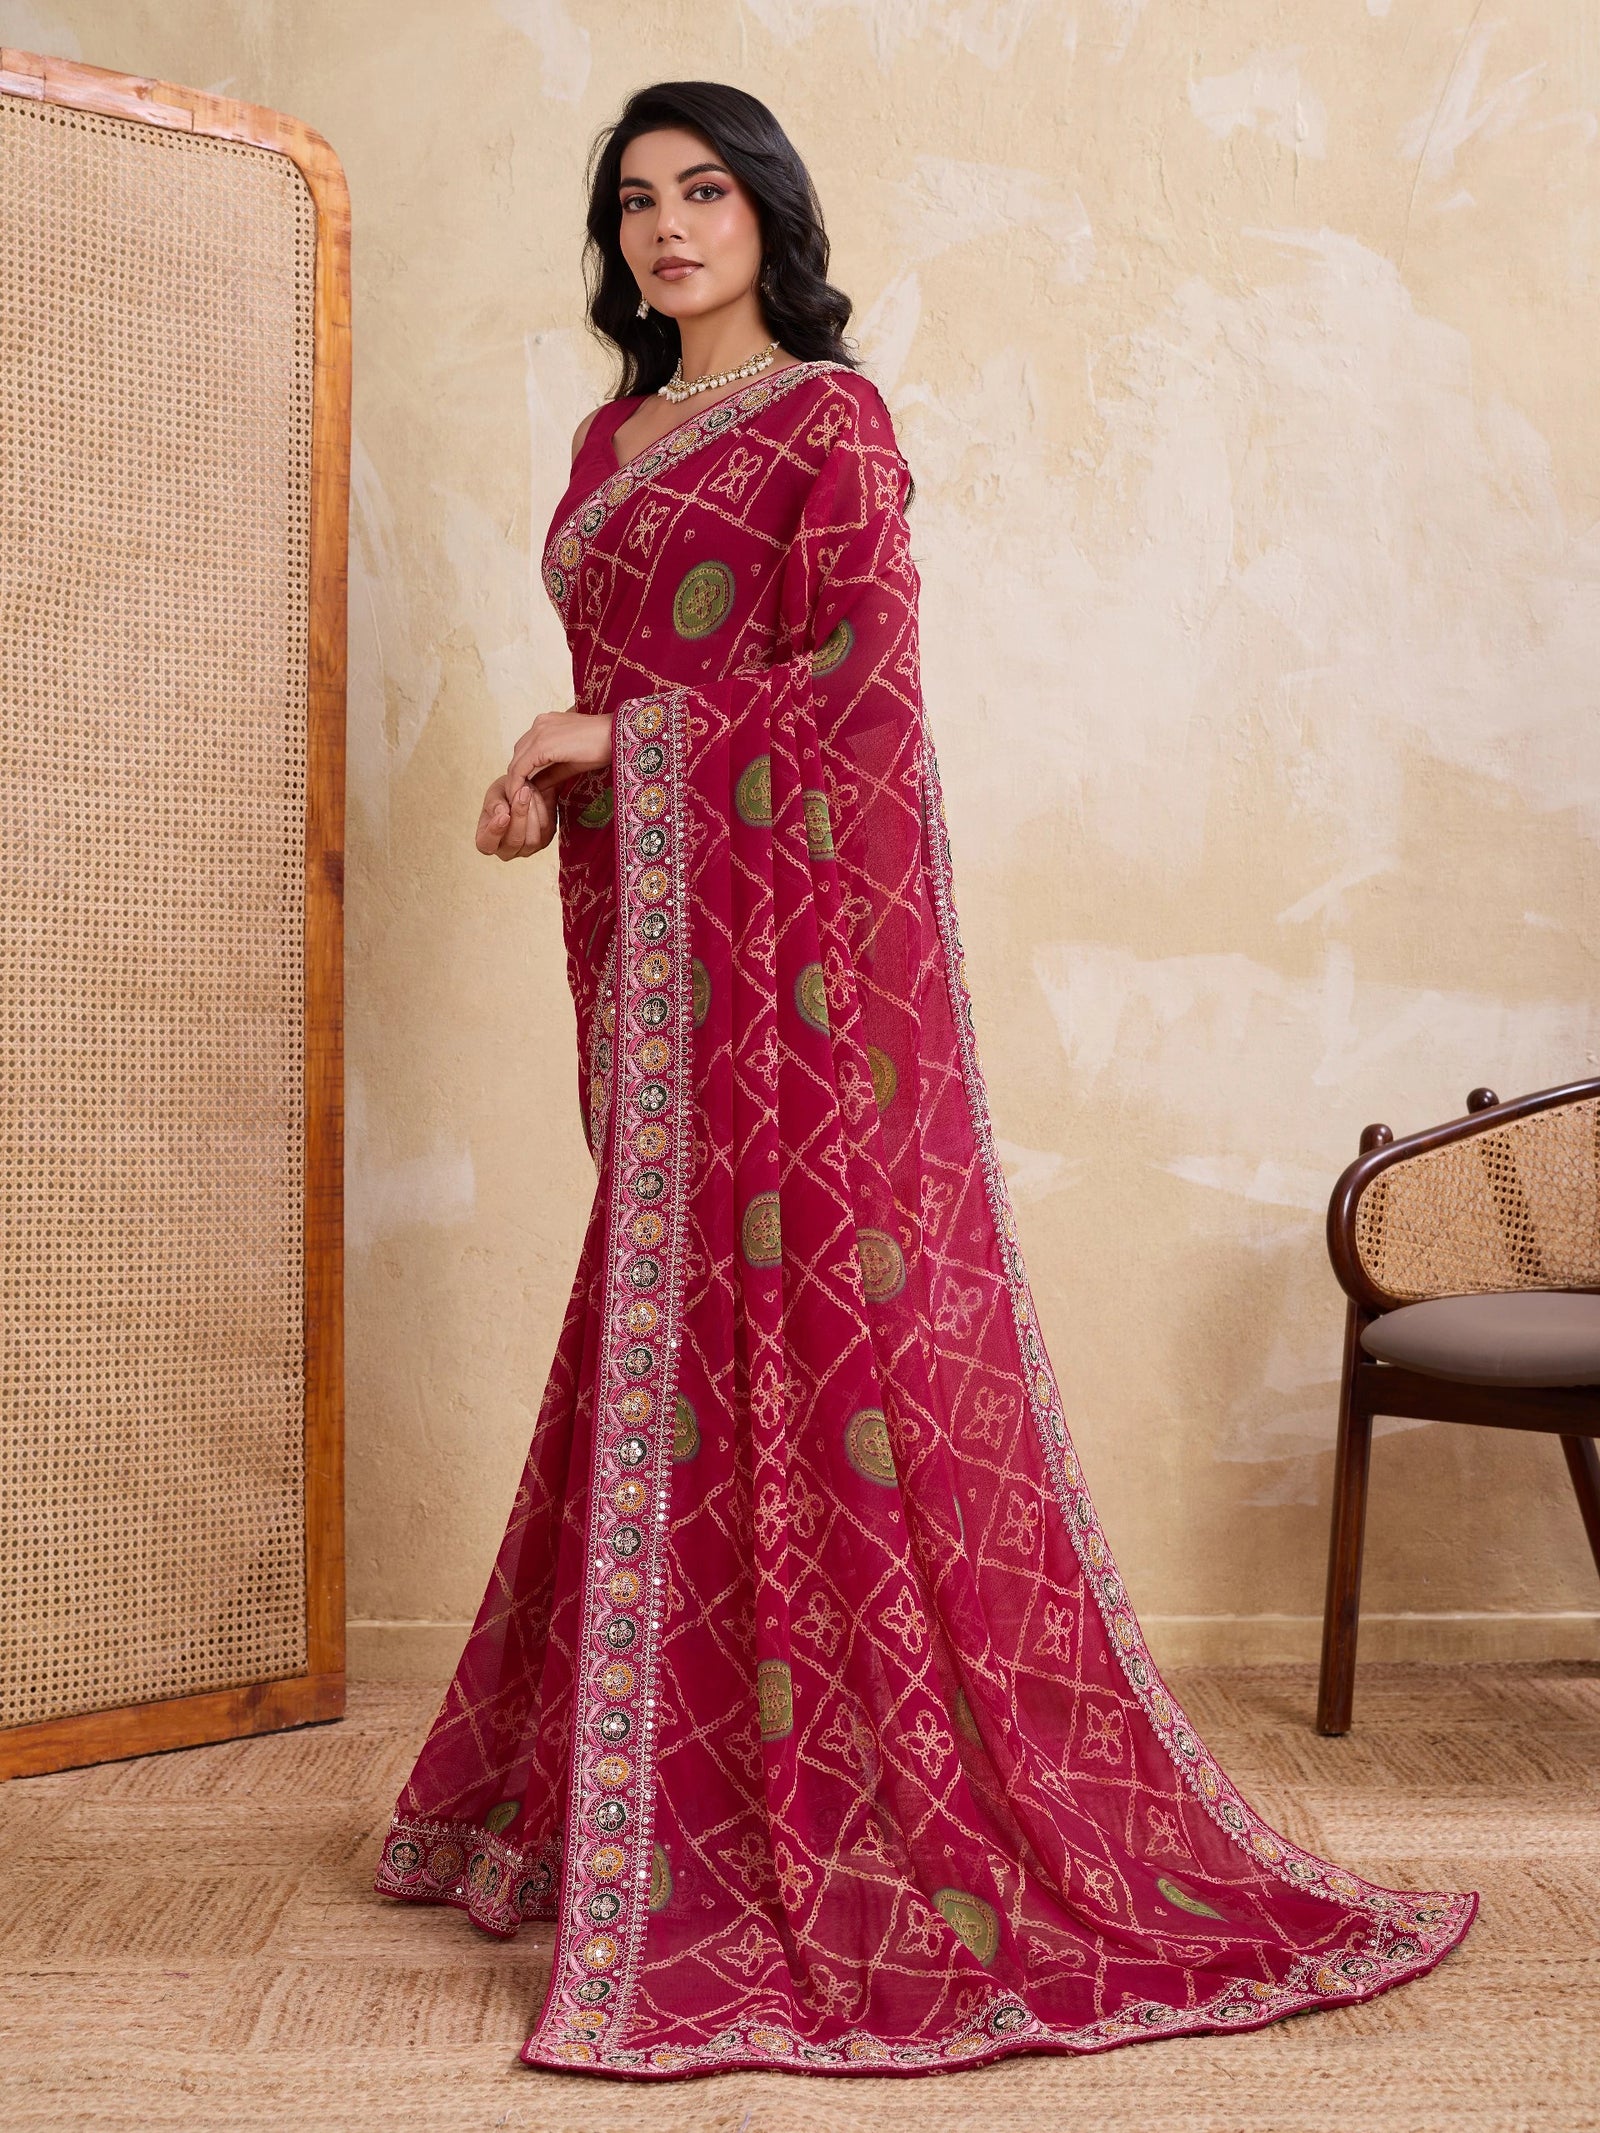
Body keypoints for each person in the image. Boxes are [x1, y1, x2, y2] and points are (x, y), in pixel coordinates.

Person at [374, 80, 1475, 2081]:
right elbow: (646, 694)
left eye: (703, 192)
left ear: (766, 214)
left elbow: (853, 697)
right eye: (633, 203)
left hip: (787, 998)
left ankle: (778, 1809)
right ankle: (622, 1790)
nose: (665, 228)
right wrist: (572, 775)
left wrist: (612, 743)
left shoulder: (826, 423)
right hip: (657, 970)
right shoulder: (607, 441)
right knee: (660, 1339)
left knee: (795, 1350)